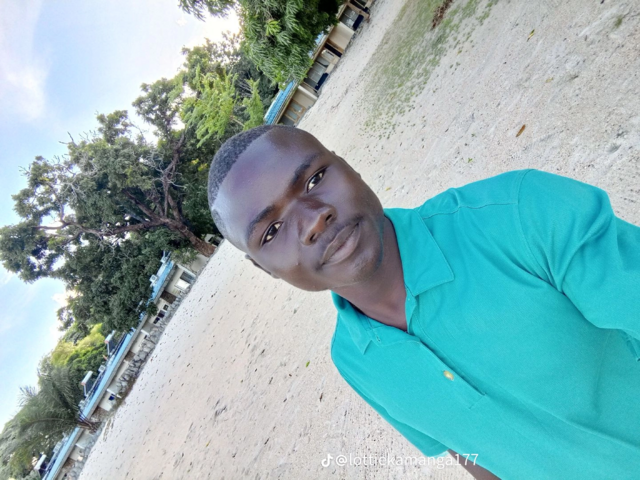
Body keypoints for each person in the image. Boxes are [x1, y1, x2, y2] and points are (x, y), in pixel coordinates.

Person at [207, 124, 640, 479]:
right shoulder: (354, 361)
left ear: (348, 166)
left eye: (315, 179)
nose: (312, 221)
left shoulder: (521, 214)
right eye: (271, 232)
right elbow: (468, 450)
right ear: (265, 268)